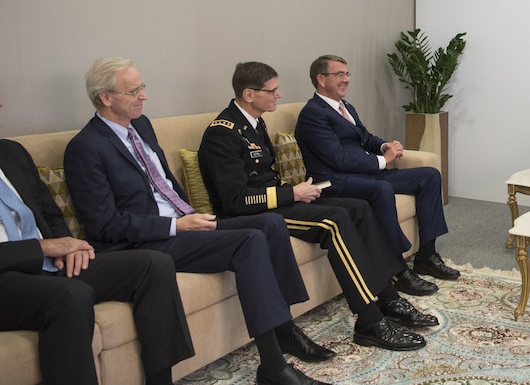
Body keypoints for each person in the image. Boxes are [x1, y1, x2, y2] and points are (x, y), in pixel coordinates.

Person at [63, 58, 331, 385]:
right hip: (145, 242)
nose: (144, 96)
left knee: (270, 225)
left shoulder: (142, 126)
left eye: (142, 87)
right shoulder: (85, 148)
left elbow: (163, 184)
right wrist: (176, 226)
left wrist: (189, 214)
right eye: (133, 91)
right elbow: (105, 224)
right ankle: (273, 368)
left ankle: (284, 327)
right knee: (249, 240)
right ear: (106, 97)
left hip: (181, 223)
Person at [197, 61, 437, 353]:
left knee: (357, 209)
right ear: (249, 94)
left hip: (277, 201)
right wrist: (292, 194)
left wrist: (295, 193)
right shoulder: (224, 132)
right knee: (334, 220)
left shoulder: (255, 122)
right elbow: (236, 201)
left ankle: (389, 298)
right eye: (272, 91)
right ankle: (370, 321)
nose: (279, 95)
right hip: (251, 216)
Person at [0, 99, 193, 385]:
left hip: (46, 263)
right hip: (7, 274)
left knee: (153, 265)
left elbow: (49, 212)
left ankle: (160, 380)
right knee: (70, 296)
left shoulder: (10, 152)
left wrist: (65, 244)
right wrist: (42, 248)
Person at [295, 55, 460, 282]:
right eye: (340, 74)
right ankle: (396, 269)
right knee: (381, 189)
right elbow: (338, 158)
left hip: (365, 175)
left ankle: (427, 256)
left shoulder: (346, 107)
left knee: (429, 176)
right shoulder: (312, 114)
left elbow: (364, 137)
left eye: (347, 74)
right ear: (321, 79)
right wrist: (384, 160)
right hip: (335, 181)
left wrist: (385, 146)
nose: (346, 79)